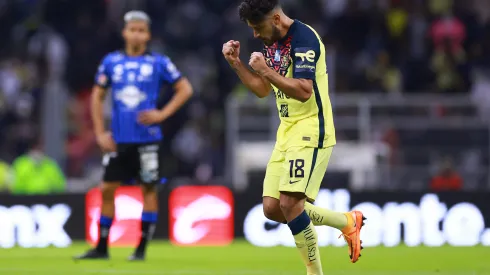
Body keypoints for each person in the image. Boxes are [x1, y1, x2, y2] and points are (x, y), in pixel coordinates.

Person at [223, 0, 365, 273]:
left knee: (290, 203)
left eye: (257, 27)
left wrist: (265, 70)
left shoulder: (304, 38)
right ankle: (346, 221)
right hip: (286, 130)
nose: (255, 35)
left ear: (276, 19)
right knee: (272, 208)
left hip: (312, 128)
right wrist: (236, 64)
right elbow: (263, 90)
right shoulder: (272, 41)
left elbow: (303, 90)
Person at [75, 11, 193, 261]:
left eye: (142, 30)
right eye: (133, 29)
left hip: (148, 140)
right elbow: (97, 96)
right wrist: (99, 133)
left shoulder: (159, 62)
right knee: (107, 189)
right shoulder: (111, 62)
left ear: (148, 35)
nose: (137, 34)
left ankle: (140, 250)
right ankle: (102, 248)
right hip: (118, 140)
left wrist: (162, 114)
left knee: (148, 191)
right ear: (125, 32)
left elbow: (185, 88)